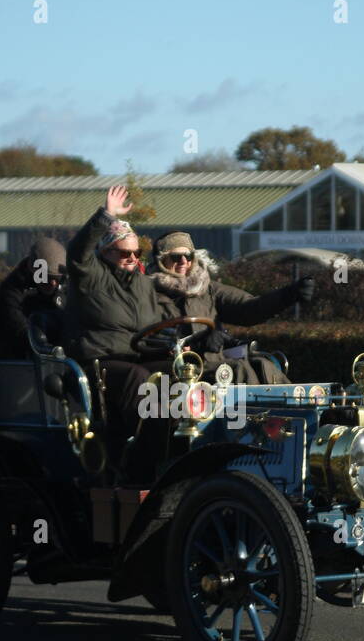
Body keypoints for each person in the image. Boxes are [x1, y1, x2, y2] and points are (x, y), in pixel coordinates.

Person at [64, 185, 171, 455]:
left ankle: (184, 439)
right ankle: (150, 452)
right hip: (100, 363)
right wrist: (106, 215)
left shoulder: (144, 285)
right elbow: (77, 252)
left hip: (138, 358)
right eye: (125, 253)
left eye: (137, 254)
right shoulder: (90, 276)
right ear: (106, 251)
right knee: (139, 377)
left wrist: (173, 347)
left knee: (179, 371)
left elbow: (153, 329)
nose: (133, 259)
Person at [148, 231, 314, 383]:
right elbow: (143, 336)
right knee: (239, 369)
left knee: (263, 364)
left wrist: (287, 295)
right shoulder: (147, 292)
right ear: (161, 260)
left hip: (212, 366)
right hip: (174, 370)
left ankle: (299, 411)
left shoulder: (207, 289)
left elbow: (249, 309)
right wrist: (197, 342)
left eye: (189, 255)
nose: (184, 261)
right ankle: (255, 416)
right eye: (176, 256)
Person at [0, 235, 67, 359]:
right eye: (47, 278)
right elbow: (19, 330)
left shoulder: (64, 290)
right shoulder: (12, 293)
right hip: (16, 363)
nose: (53, 283)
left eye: (57, 279)